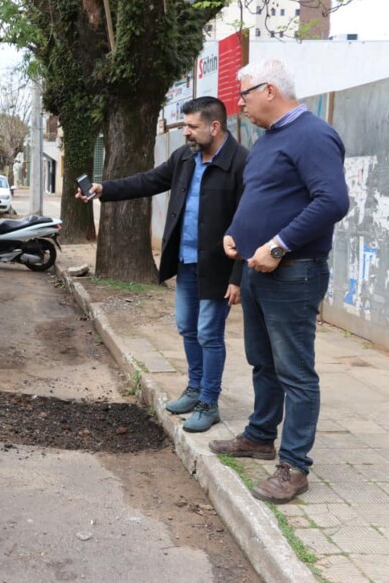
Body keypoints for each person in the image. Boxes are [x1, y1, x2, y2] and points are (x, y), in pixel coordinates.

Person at [210, 59, 349, 504]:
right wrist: (236, 233)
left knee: (295, 371)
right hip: (257, 271)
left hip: (293, 272)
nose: (239, 104)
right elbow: (259, 196)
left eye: (244, 94)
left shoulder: (313, 135)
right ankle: (259, 436)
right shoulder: (269, 140)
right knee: (263, 362)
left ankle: (294, 466)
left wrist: (278, 245)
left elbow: (333, 201)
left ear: (269, 91)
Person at [77, 97, 246, 433]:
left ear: (214, 127)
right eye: (185, 126)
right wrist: (104, 189)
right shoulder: (185, 157)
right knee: (187, 327)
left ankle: (209, 402)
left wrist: (239, 276)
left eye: (192, 126)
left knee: (209, 333)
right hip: (185, 261)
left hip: (218, 266)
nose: (186, 132)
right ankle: (194, 389)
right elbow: (148, 181)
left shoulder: (240, 163)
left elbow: (247, 221)